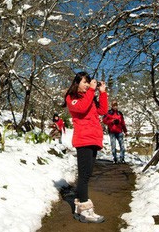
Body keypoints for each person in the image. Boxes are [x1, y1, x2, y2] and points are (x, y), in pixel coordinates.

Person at [65, 71, 108, 223]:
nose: (88, 84)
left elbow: (103, 111)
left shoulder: (89, 97)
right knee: (83, 176)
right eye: (85, 82)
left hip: (94, 139)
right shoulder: (72, 98)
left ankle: (79, 204)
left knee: (87, 174)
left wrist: (102, 93)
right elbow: (82, 109)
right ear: (77, 83)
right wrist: (91, 90)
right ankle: (85, 210)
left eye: (88, 82)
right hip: (83, 139)